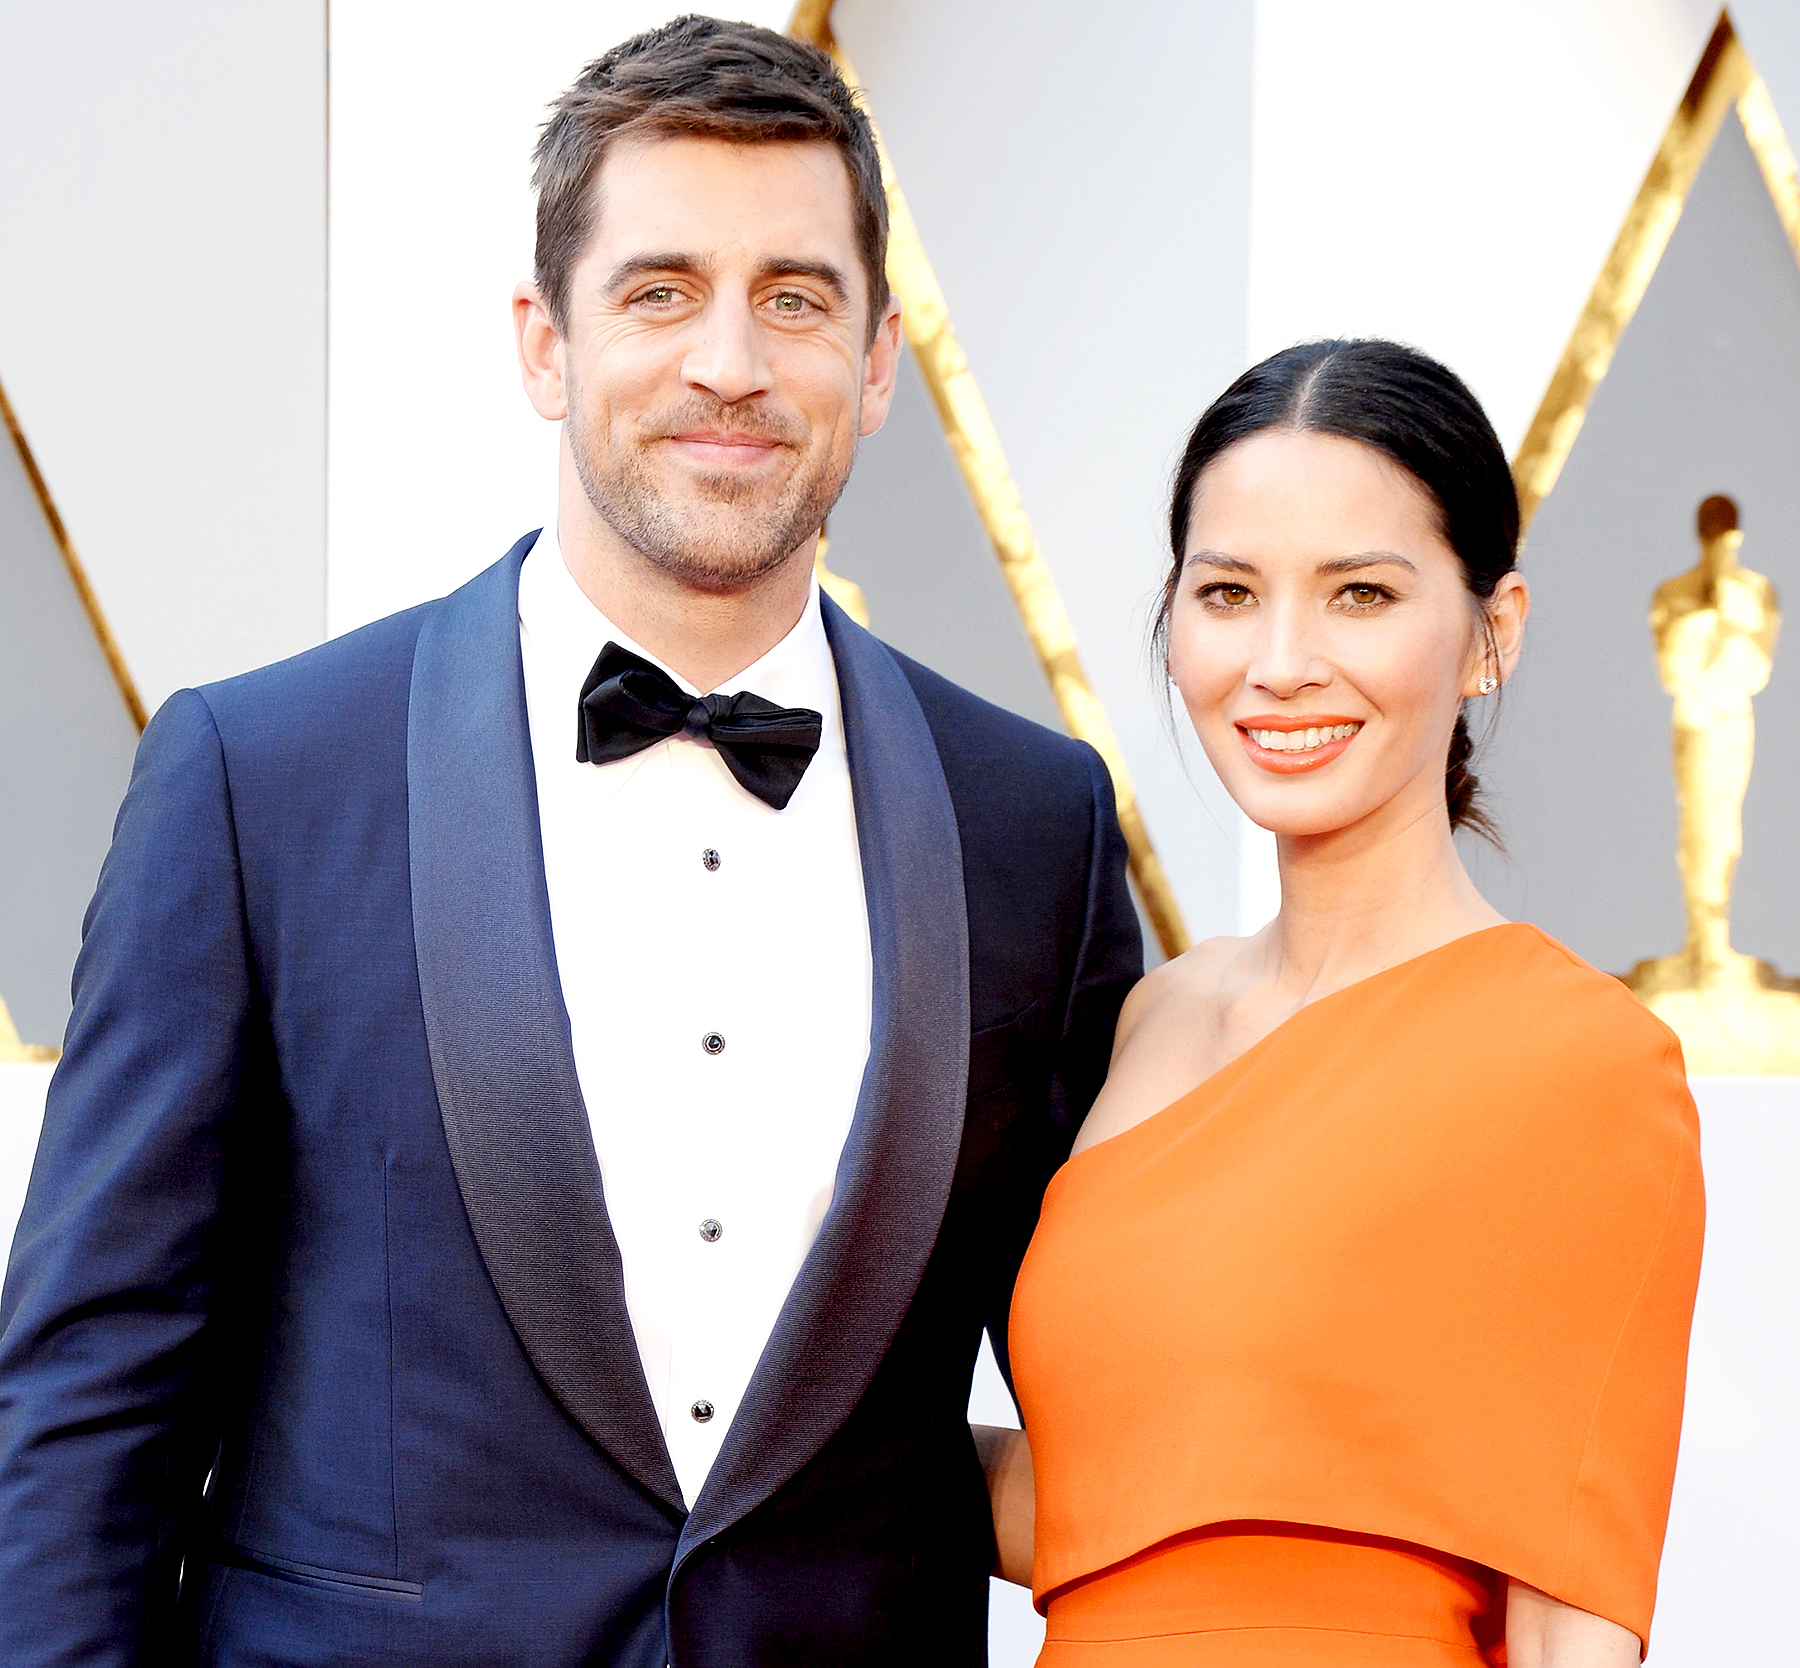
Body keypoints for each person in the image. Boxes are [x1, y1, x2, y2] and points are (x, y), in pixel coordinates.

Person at [0, 18, 1140, 1664]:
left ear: (880, 362)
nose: (731, 361)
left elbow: (1126, 1361)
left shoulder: (1033, 820)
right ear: (543, 343)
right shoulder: (260, 778)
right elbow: (88, 1404)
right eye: (659, 290)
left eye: (797, 299)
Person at [983, 340, 1704, 1665]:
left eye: (1361, 593)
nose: (1282, 662)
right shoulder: (1151, 1020)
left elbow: (1568, 1624)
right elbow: (1107, 1500)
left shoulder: (1577, 1062)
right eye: (1231, 593)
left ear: (1494, 632)